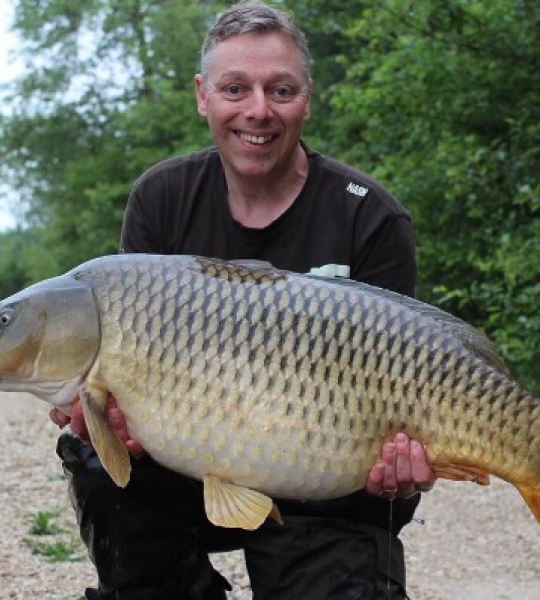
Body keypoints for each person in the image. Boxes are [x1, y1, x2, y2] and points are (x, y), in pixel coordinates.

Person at [51, 2, 436, 598]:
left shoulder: (370, 216)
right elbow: (125, 393)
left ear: (307, 98)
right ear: (204, 96)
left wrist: (401, 472)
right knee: (98, 466)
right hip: (185, 477)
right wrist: (110, 424)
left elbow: (410, 384)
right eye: (236, 88)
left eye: (279, 89)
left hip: (328, 487)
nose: (258, 110)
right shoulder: (161, 199)